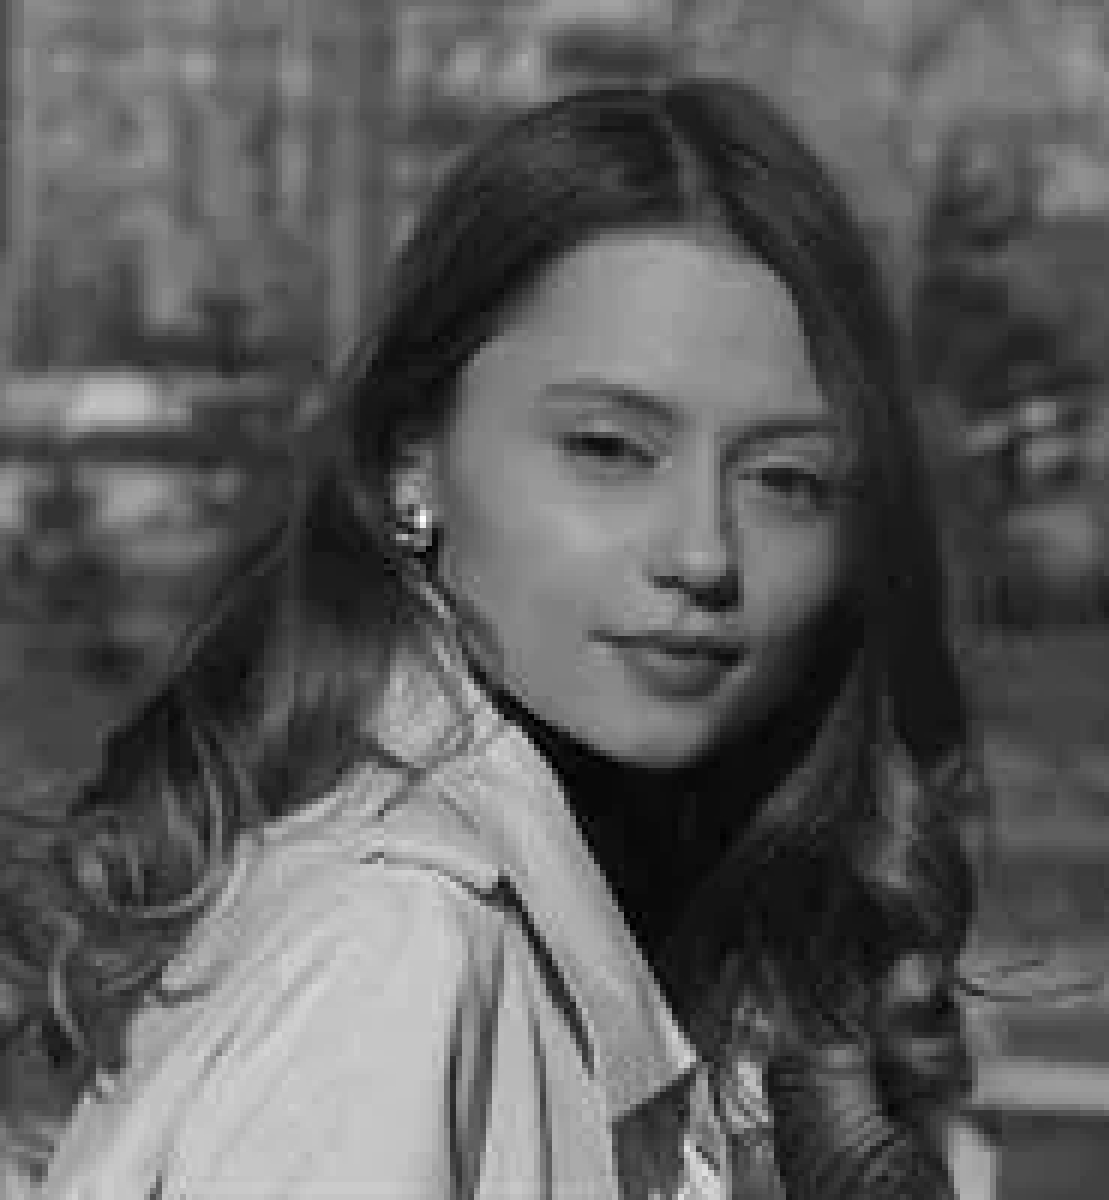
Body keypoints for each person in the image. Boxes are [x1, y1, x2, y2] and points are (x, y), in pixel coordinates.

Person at [1, 76, 986, 1199]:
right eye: (609, 449)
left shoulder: (630, 933)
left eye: (785, 479)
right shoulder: (395, 947)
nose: (704, 552)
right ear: (410, 458)